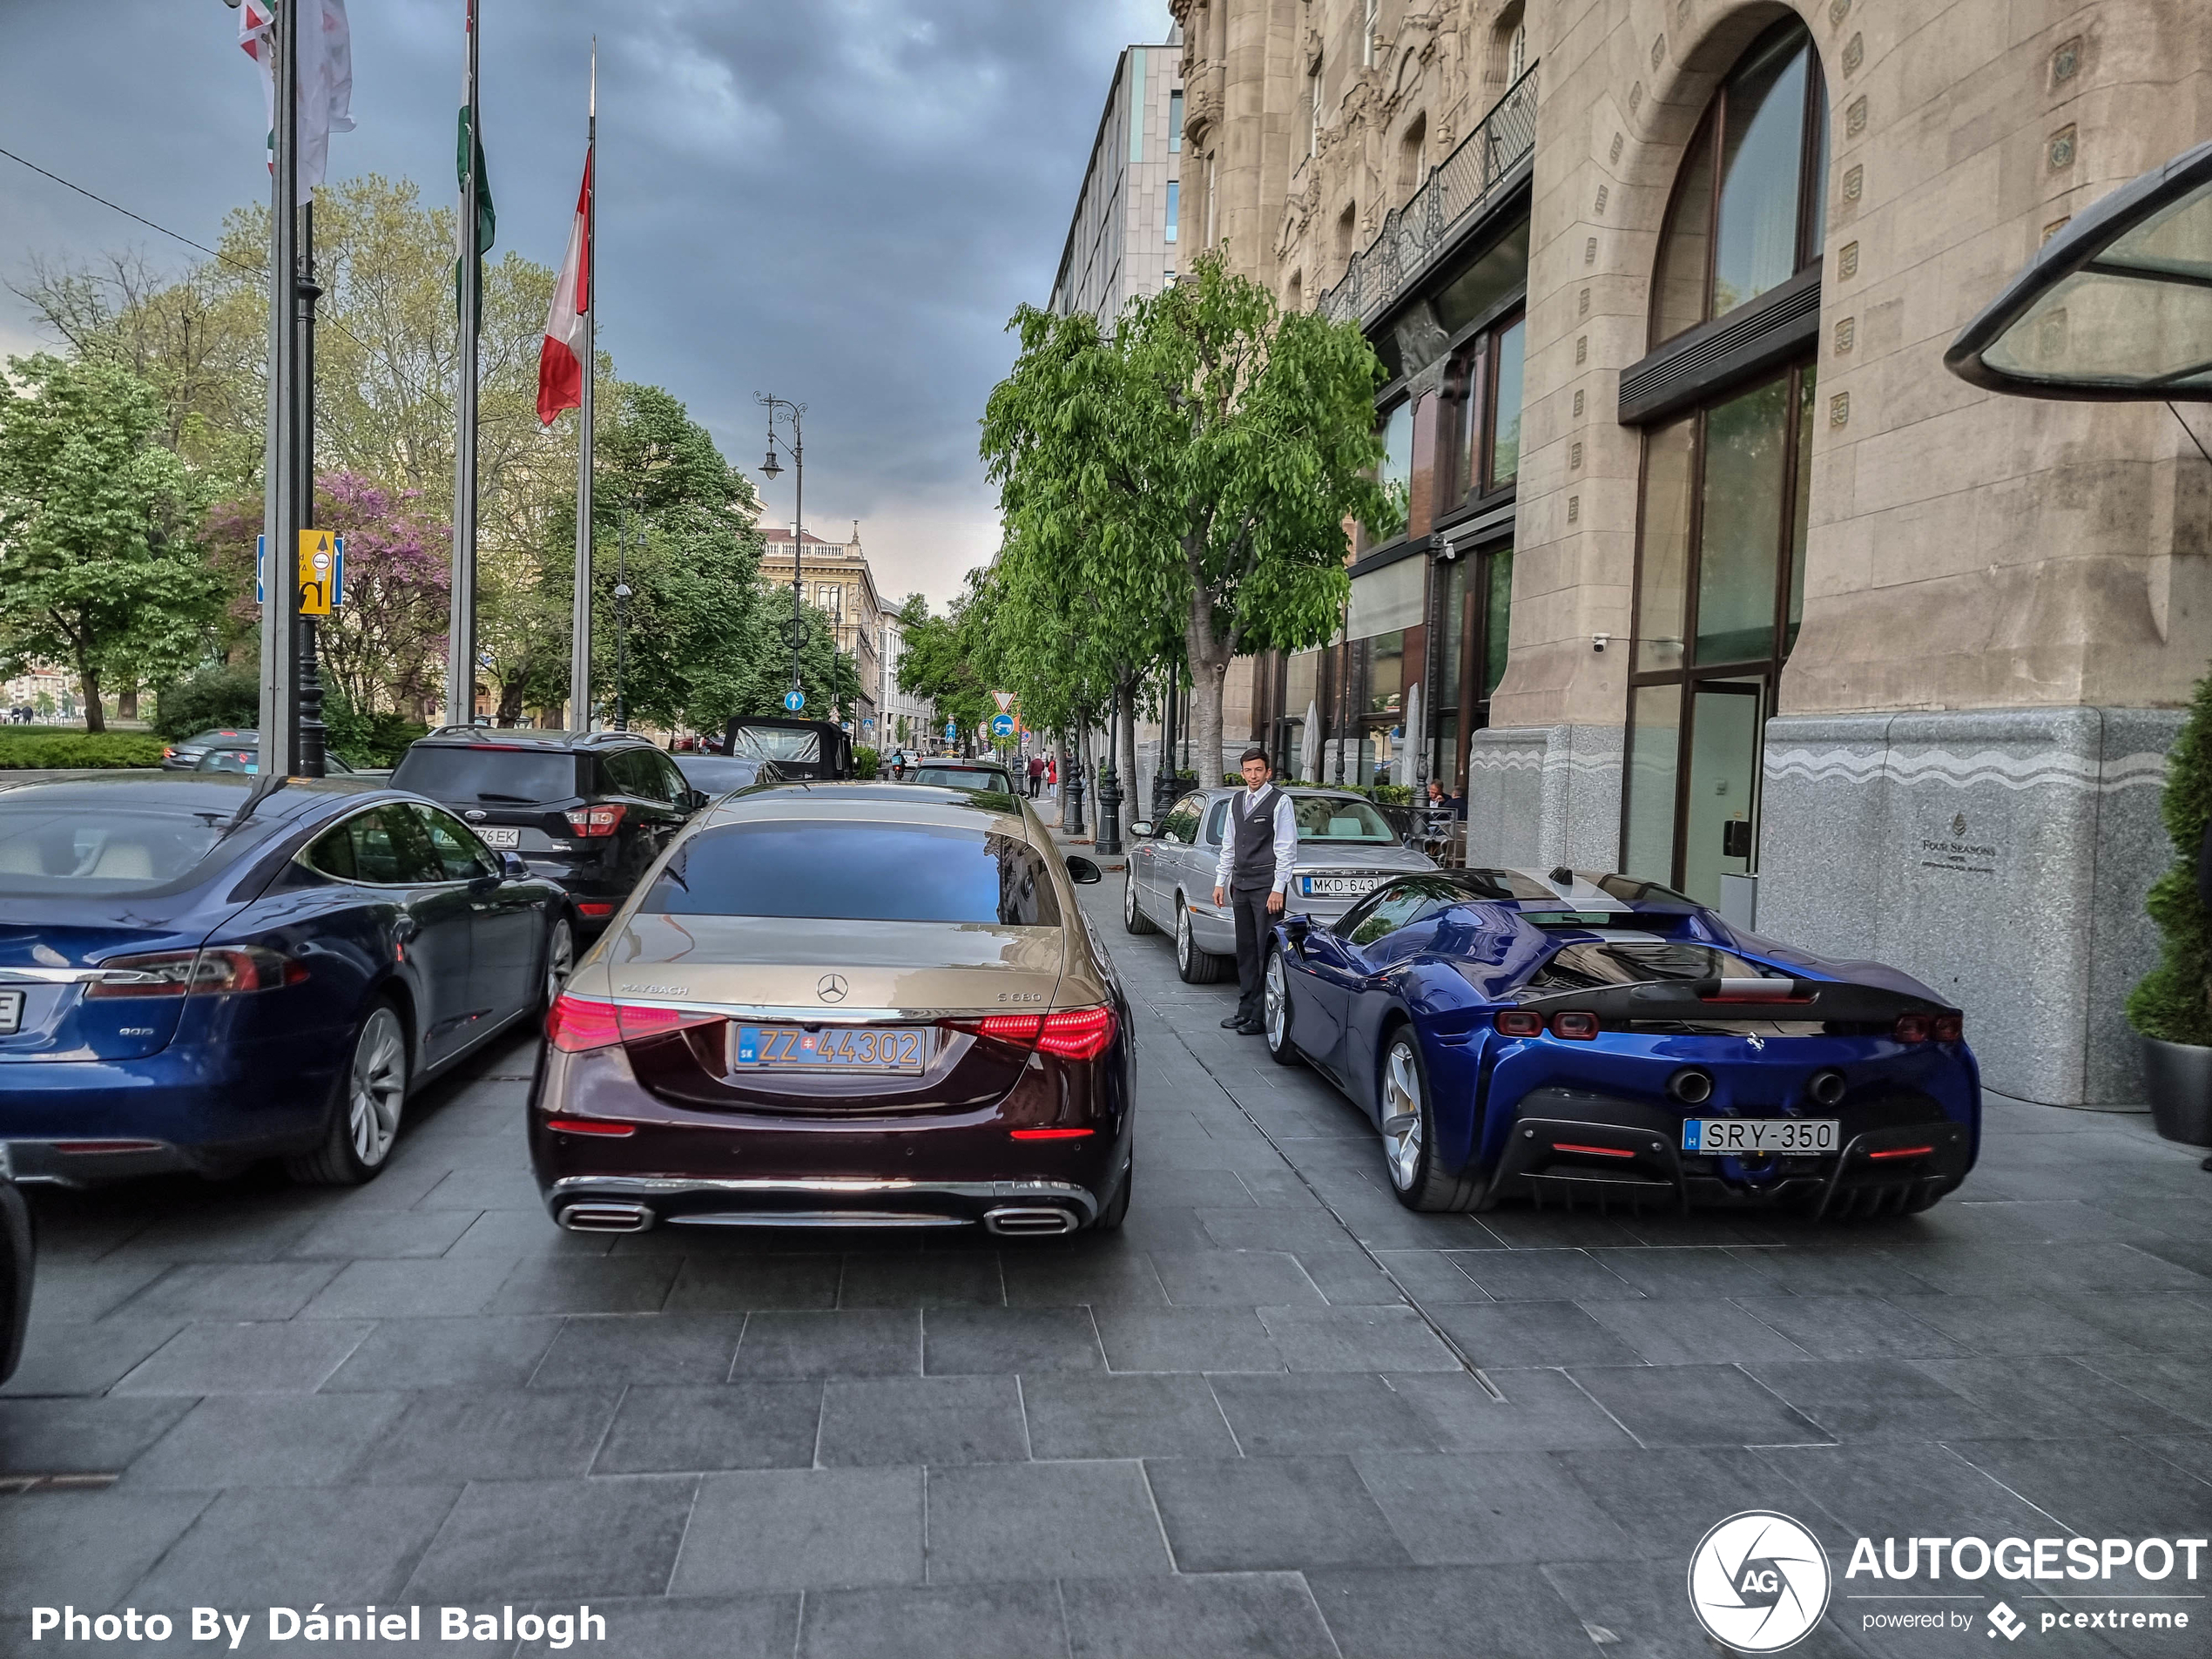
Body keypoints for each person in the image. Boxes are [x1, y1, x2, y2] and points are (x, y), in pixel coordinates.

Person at [1212, 745, 1298, 1035]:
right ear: (1242, 773)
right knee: (1246, 949)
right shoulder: (1236, 801)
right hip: (1242, 884)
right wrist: (1220, 881)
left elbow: (1287, 848)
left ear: (1268, 771)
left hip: (1266, 888)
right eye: (1248, 770)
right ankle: (1245, 1009)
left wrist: (1278, 888)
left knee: (1264, 950)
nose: (1253, 775)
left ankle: (1262, 1015)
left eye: (1258, 770)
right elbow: (1229, 845)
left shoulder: (1280, 802)